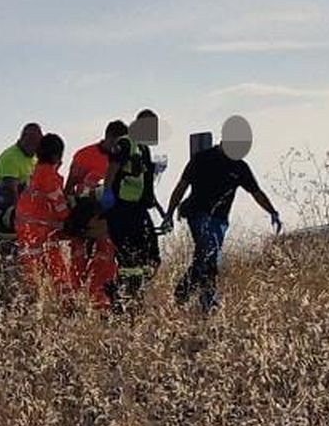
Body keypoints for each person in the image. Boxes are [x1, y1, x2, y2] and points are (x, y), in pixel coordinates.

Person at [164, 138, 282, 312]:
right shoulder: (202, 158)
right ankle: (207, 300)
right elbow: (181, 187)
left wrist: (273, 212)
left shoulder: (239, 167)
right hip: (198, 214)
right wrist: (169, 213)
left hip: (220, 220)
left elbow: (256, 193)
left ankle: (185, 293)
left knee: (209, 257)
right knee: (208, 250)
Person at [102, 110, 162, 311]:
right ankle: (122, 299)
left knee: (152, 257)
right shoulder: (126, 143)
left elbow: (145, 179)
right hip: (120, 209)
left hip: (138, 209)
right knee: (129, 260)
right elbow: (112, 168)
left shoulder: (143, 149)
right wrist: (108, 192)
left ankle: (130, 293)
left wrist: (154, 203)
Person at [66, 121, 125, 307]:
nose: (119, 147)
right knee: (78, 260)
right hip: (82, 218)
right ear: (108, 137)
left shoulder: (125, 158)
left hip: (108, 222)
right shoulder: (84, 156)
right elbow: (69, 188)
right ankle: (72, 304)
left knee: (105, 260)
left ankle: (100, 305)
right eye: (117, 143)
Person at [15, 134, 76, 299]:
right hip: (42, 233)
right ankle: (68, 308)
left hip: (26, 232)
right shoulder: (49, 176)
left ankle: (30, 314)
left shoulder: (35, 174)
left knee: (31, 280)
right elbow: (60, 205)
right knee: (59, 274)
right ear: (57, 156)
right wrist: (72, 221)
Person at [0, 122, 41, 282]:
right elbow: (11, 190)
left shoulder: (33, 159)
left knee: (26, 268)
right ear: (24, 138)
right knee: (11, 267)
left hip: (24, 221)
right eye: (33, 143)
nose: (36, 148)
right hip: (7, 219)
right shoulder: (10, 157)